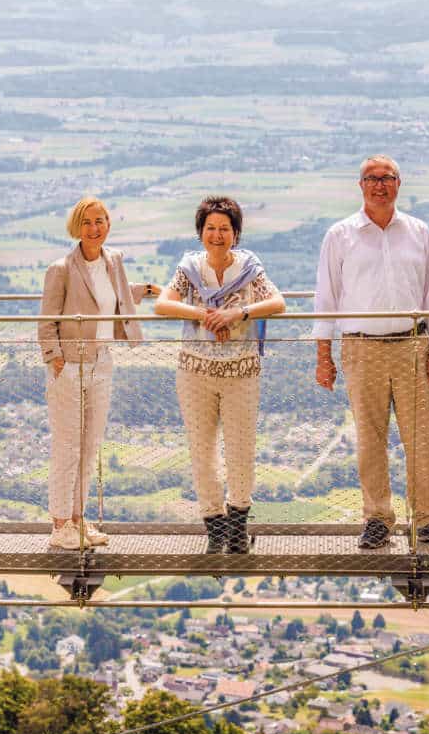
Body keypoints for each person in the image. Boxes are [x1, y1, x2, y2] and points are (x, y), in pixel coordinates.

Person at [314, 156, 429, 550]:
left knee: (422, 438)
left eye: (387, 178)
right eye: (372, 179)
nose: (380, 185)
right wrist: (322, 354)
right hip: (361, 346)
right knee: (370, 438)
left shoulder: (418, 231)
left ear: (400, 183)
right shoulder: (340, 235)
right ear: (360, 185)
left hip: (413, 344)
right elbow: (326, 297)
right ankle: (377, 520)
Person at [154, 196, 287, 554]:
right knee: (202, 451)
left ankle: (237, 526)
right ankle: (214, 527)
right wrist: (205, 315)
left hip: (241, 372)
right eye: (210, 228)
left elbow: (277, 302)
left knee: (241, 449)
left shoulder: (249, 268)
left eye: (224, 229)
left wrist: (237, 314)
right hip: (195, 371)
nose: (217, 235)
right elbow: (163, 303)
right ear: (201, 233)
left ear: (236, 233)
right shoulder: (191, 268)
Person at [38, 197, 156, 551]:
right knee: (67, 448)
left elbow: (116, 298)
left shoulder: (114, 261)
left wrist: (148, 290)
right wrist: (55, 361)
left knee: (89, 448)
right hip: (70, 366)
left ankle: (78, 520)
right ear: (77, 226)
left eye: (100, 220)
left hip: (102, 362)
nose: (95, 228)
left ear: (108, 224)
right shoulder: (61, 269)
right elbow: (47, 321)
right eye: (88, 222)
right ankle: (60, 525)